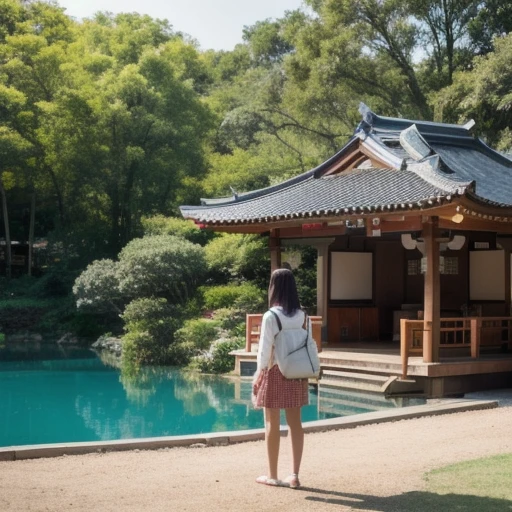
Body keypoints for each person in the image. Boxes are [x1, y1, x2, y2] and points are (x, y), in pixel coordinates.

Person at [252, 268, 311, 489]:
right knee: (296, 423)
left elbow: (264, 349)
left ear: (273, 287)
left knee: (271, 423)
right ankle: (294, 475)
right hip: (296, 372)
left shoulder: (271, 316)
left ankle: (273, 475)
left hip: (275, 371)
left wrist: (259, 374)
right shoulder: (301, 315)